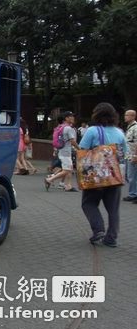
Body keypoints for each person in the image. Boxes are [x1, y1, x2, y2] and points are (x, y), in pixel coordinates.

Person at [79, 102, 127, 247]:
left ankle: (98, 230)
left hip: (96, 177)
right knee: (113, 208)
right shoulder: (120, 132)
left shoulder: (93, 130)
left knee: (89, 203)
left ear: (96, 114)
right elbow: (123, 153)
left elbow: (83, 149)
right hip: (114, 176)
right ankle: (111, 238)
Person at [45, 111, 79, 191]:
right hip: (66, 152)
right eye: (71, 116)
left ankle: (68, 186)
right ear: (66, 118)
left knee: (68, 169)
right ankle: (49, 179)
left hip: (62, 151)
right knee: (67, 170)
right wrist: (79, 148)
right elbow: (72, 141)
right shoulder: (68, 128)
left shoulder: (60, 127)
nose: (73, 118)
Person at [123, 109, 137, 202]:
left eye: (127, 115)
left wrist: (135, 155)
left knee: (132, 176)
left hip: (133, 155)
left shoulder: (135, 128)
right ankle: (133, 193)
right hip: (127, 155)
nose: (125, 117)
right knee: (128, 176)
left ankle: (134, 194)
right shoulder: (130, 127)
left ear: (133, 116)